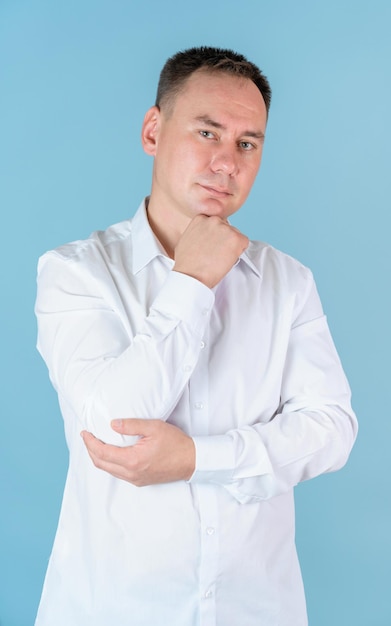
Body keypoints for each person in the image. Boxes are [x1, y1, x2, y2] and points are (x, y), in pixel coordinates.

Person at [35, 46, 358, 626]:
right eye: (207, 132)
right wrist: (193, 281)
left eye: (247, 143)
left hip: (258, 611)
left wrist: (197, 459)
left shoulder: (287, 282)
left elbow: (331, 430)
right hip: (115, 610)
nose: (227, 162)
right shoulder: (75, 272)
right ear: (153, 131)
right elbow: (114, 427)